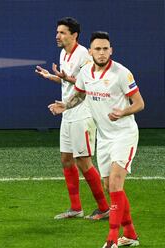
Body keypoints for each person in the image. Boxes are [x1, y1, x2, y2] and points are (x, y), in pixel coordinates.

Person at [48, 31, 144, 248]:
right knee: (111, 184)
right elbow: (80, 95)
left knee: (115, 184)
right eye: (97, 49)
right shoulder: (85, 73)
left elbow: (139, 103)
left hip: (124, 134)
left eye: (105, 48)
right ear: (90, 52)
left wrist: (124, 111)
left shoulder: (122, 73)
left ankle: (111, 240)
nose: (102, 52)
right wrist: (65, 105)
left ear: (111, 50)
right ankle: (130, 234)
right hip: (104, 138)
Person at [35, 17, 109, 220]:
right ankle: (76, 208)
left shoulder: (84, 54)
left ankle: (104, 208)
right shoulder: (63, 53)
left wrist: (66, 78)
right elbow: (67, 78)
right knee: (66, 159)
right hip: (67, 112)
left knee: (83, 161)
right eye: (57, 32)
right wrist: (52, 77)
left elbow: (89, 82)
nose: (57, 36)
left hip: (83, 114)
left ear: (74, 35)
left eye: (62, 32)